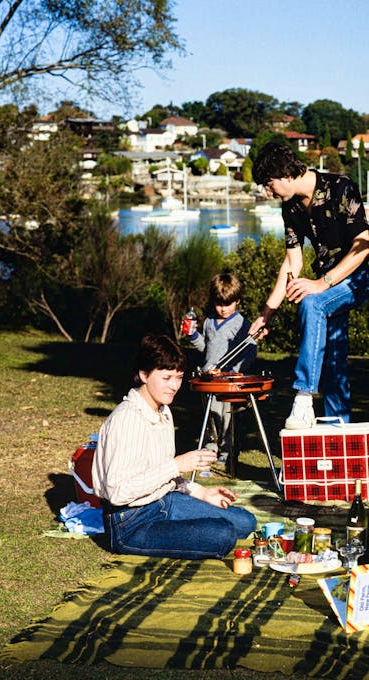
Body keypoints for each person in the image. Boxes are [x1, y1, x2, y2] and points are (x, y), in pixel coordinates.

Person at [92, 333, 256, 560]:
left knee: (246, 522)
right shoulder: (128, 419)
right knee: (223, 534)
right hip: (129, 523)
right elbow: (118, 493)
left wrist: (202, 492)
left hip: (163, 500)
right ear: (143, 375)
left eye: (178, 377)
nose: (174, 386)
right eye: (167, 377)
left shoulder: (163, 411)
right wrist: (177, 465)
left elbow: (162, 476)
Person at [250, 141, 369, 429]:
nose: (268, 192)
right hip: (328, 285)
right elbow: (292, 263)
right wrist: (267, 314)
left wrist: (321, 282)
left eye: (269, 184)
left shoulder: (340, 187)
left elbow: (364, 246)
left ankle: (303, 396)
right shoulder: (290, 208)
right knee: (334, 365)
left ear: (286, 175)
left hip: (359, 277)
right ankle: (337, 439)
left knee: (312, 302)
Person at [188, 273, 257, 464]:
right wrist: (193, 336)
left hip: (229, 380)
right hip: (209, 379)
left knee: (228, 418)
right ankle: (211, 449)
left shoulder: (241, 323)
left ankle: (228, 453)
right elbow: (206, 349)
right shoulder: (209, 321)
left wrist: (234, 370)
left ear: (237, 301)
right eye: (219, 304)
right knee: (210, 415)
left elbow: (251, 350)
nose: (223, 309)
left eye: (228, 304)